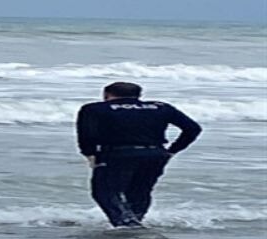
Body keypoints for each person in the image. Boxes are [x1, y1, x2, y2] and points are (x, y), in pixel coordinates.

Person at [76, 81, 201, 227]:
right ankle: (135, 220)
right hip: (155, 154)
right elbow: (193, 128)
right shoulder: (160, 107)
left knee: (104, 191)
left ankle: (126, 223)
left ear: (106, 94)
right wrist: (172, 150)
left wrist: (90, 153)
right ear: (139, 95)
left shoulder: (94, 109)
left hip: (117, 154)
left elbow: (86, 134)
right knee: (141, 190)